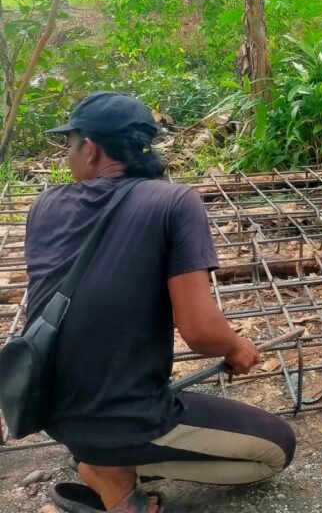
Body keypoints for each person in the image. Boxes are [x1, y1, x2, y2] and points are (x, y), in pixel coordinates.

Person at [24, 92, 295, 513]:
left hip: (51, 412)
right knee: (277, 449)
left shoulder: (43, 205)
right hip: (128, 413)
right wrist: (236, 346)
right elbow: (201, 332)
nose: (69, 157)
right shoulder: (172, 200)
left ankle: (98, 459)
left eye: (70, 145)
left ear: (90, 148)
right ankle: (116, 475)